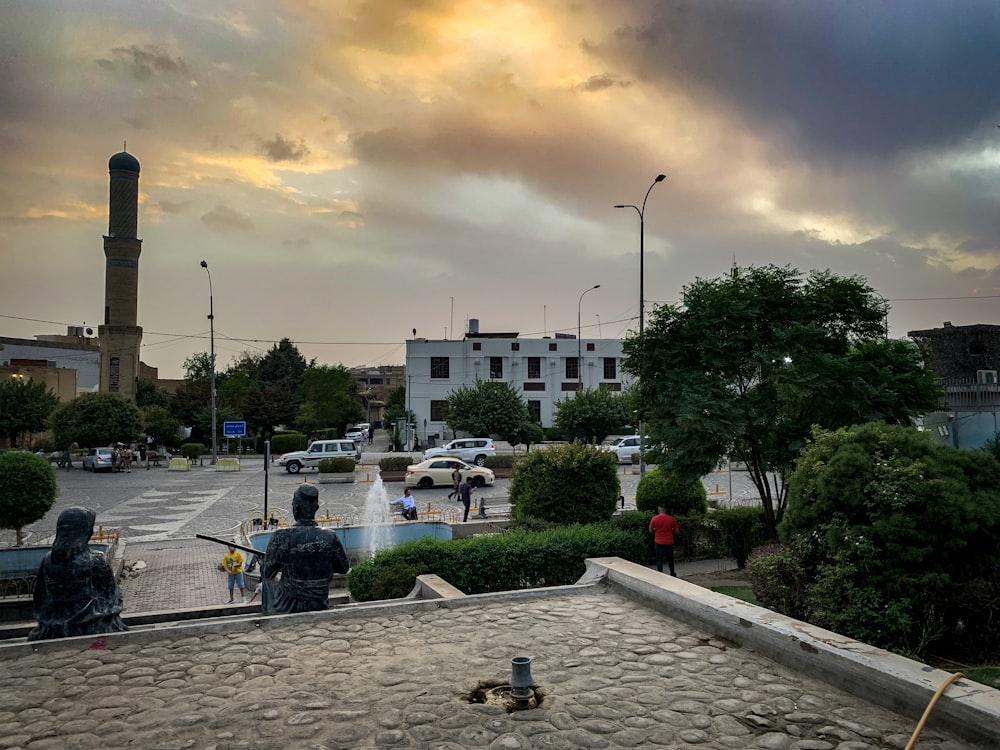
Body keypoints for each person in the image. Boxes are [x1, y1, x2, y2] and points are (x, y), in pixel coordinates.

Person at [28, 507, 127, 640]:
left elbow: (40, 596)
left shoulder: (47, 560)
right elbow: (110, 596)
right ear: (85, 531)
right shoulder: (96, 560)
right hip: (92, 624)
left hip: (54, 626)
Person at [261, 484, 349, 614]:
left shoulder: (280, 536)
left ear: (295, 507)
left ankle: (269, 617)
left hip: (287, 604)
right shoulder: (330, 537)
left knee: (267, 583)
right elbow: (343, 568)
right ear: (317, 508)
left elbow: (267, 572)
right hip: (319, 601)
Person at [649, 505, 681, 576]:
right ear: (666, 510)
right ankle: (672, 573)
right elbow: (677, 531)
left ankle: (660, 574)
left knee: (659, 559)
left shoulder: (654, 519)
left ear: (659, 510)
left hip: (658, 541)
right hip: (669, 541)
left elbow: (650, 530)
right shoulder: (671, 519)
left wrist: (656, 530)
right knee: (670, 558)